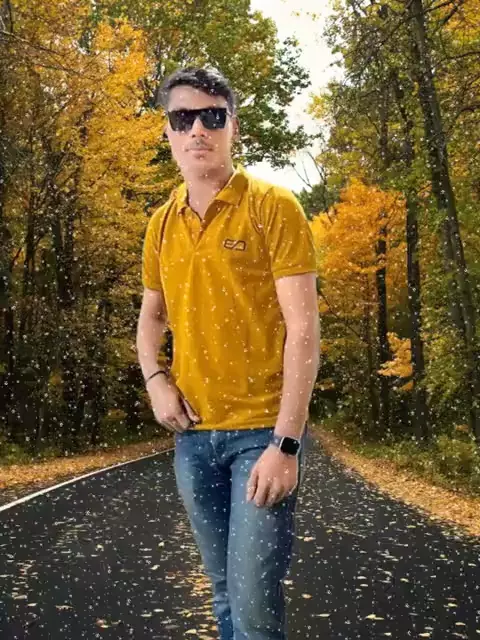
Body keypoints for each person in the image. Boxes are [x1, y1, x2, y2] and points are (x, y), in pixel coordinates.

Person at [136, 66, 320, 640]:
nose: (198, 129)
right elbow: (151, 317)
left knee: (255, 608)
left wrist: (285, 445)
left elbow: (304, 330)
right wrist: (156, 379)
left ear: (232, 126)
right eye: (183, 118)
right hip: (193, 439)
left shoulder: (273, 207)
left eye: (212, 116)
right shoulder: (161, 224)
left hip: (260, 436)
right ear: (168, 131)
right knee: (223, 596)